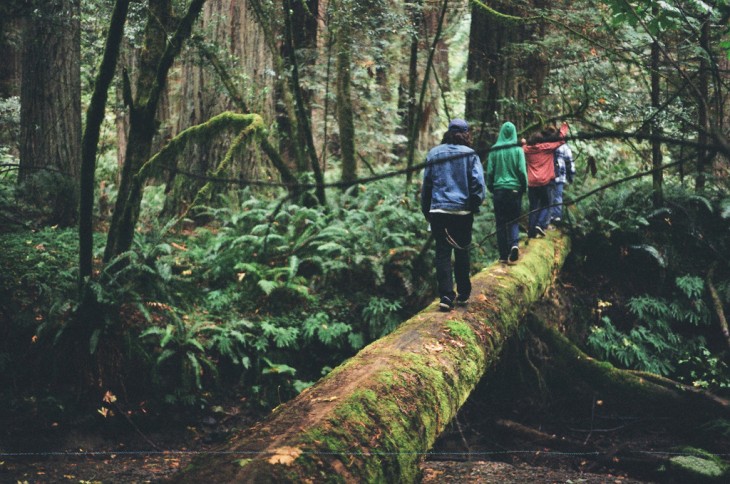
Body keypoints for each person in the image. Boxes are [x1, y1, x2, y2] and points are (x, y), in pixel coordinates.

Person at [421, 119, 486, 311]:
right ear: (466, 134)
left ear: (448, 133)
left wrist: (427, 211)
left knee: (442, 253)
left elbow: (427, 186)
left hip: (439, 211)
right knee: (462, 251)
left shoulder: (434, 153)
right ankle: (464, 293)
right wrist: (473, 205)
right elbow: (478, 185)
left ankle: (446, 296)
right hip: (462, 212)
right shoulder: (471, 155)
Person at [486, 121, 528, 265]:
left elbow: (490, 171)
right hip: (515, 190)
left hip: (499, 190)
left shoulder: (494, 150)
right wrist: (524, 187)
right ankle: (514, 245)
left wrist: (491, 186)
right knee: (513, 220)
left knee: (500, 223)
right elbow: (522, 171)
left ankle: (503, 255)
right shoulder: (518, 150)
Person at [522, 122, 568, 238]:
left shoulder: (526, 150)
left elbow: (522, 145)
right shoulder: (546, 148)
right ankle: (540, 224)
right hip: (545, 182)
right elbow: (561, 140)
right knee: (546, 204)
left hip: (532, 183)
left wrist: (523, 141)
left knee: (533, 207)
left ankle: (531, 232)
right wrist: (564, 128)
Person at [550, 141, 575, 224]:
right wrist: (571, 174)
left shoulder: (547, 144)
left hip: (548, 174)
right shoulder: (564, 146)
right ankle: (556, 216)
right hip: (559, 175)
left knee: (550, 196)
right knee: (557, 196)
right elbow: (569, 160)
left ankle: (550, 216)